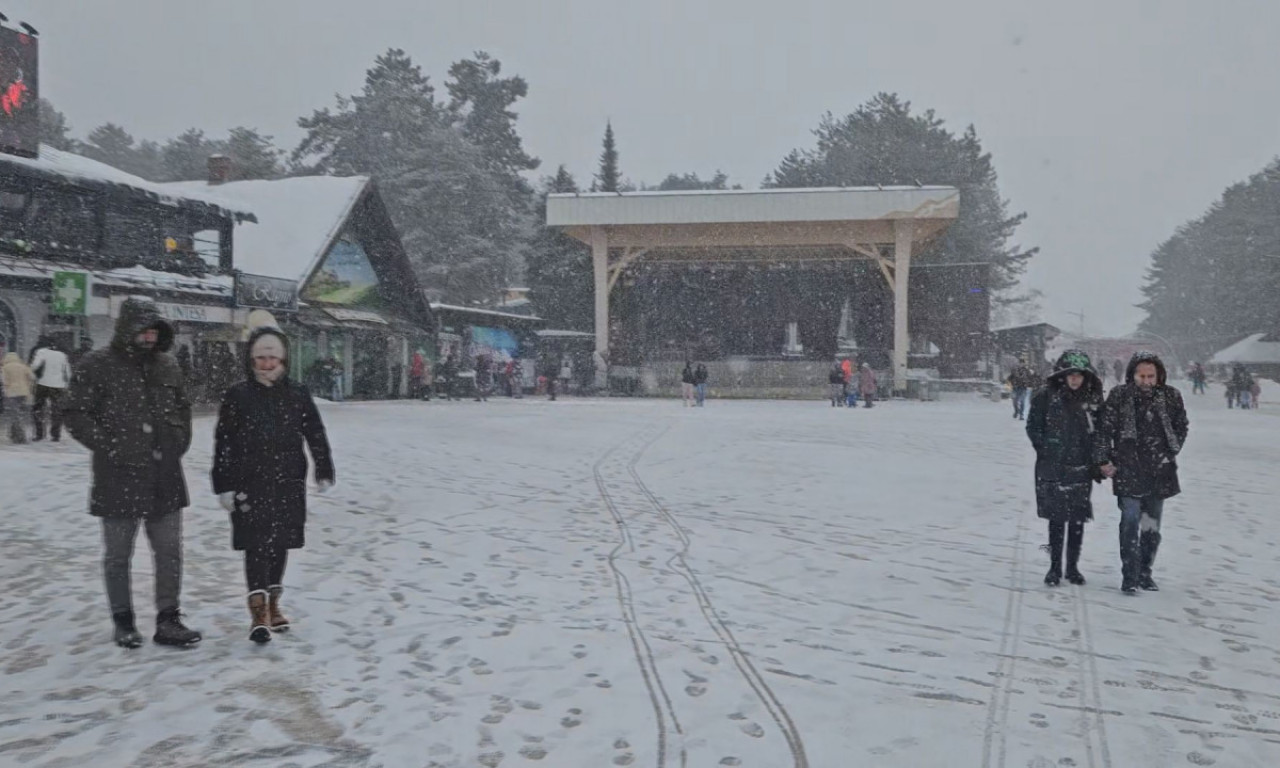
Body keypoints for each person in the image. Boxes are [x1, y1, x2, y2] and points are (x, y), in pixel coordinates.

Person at [61, 297, 202, 648]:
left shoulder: (168, 365)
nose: (150, 337)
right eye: (144, 330)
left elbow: (183, 408)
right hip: (117, 475)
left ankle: (169, 620)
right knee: (118, 555)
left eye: (155, 331)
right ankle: (123, 621)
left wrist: (178, 441)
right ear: (127, 328)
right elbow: (75, 413)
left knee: (169, 552)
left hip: (164, 474)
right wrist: (110, 445)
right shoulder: (96, 365)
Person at [213, 326, 335, 643]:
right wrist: (223, 484)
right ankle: (258, 612)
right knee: (255, 544)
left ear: (283, 360)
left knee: (280, 542)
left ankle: (273, 603)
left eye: (272, 358)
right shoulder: (238, 395)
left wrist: (323, 468)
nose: (267, 364)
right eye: (261, 358)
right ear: (251, 360)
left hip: (287, 480)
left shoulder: (297, 393)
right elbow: (224, 441)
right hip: (249, 481)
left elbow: (315, 432)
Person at [1095, 351, 1189, 594]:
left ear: (1159, 376)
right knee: (1130, 521)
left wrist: (1171, 450)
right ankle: (1130, 574)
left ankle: (1145, 571)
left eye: (1151, 376)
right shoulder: (1120, 396)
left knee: (1151, 527)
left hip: (1159, 469)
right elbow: (1104, 429)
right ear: (1132, 375)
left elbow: (1181, 425)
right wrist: (1103, 459)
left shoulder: (1170, 396)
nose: (1146, 381)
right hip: (1128, 468)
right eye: (1141, 376)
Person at [1026, 350, 1104, 587]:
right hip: (1054, 467)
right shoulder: (1046, 397)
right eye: (1070, 374)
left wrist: (1097, 459)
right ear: (1062, 375)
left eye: (1079, 375)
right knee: (1056, 520)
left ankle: (1072, 567)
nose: (1075, 379)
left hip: (1081, 467)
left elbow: (1101, 431)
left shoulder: (1092, 400)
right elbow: (1033, 426)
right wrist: (1046, 448)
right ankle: (1054, 567)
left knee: (1077, 520)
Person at [30, 336, 72, 442]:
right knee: (56, 410)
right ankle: (55, 435)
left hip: (43, 383)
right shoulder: (63, 355)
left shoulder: (42, 352)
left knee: (38, 408)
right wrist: (67, 384)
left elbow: (34, 366)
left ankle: (39, 433)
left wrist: (33, 375)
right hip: (59, 385)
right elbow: (68, 372)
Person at [2, 351, 35, 444]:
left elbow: (4, 381)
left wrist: (6, 390)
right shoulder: (23, 366)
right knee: (19, 414)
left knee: (14, 414)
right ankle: (14, 435)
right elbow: (32, 377)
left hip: (11, 393)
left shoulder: (5, 367)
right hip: (23, 393)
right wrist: (28, 385)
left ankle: (19, 436)